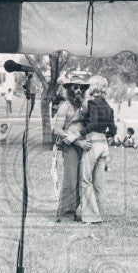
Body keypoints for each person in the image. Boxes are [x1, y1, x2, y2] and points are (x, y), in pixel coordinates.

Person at [77, 74, 116, 225]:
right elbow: (113, 130)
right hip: (103, 144)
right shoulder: (108, 106)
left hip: (92, 143)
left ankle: (90, 216)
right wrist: (102, 135)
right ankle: (100, 212)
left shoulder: (92, 103)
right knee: (99, 182)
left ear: (92, 87)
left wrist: (77, 135)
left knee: (86, 180)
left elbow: (92, 124)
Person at [52, 72, 90, 222]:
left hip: (85, 145)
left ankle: (77, 211)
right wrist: (75, 141)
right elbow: (57, 130)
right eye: (75, 88)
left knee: (83, 180)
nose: (79, 91)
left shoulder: (84, 106)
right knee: (70, 180)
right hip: (71, 146)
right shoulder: (64, 106)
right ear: (69, 90)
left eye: (81, 88)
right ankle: (65, 214)